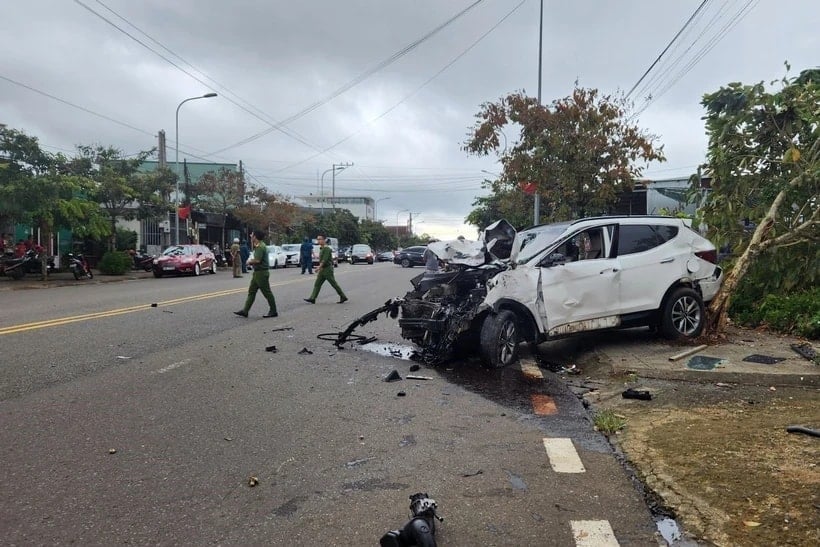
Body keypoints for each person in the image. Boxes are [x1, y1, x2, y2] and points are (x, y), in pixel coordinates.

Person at [234, 230, 278, 318]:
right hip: (257, 273)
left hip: (261, 273)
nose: (251, 237)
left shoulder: (260, 247)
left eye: (252, 235)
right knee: (252, 291)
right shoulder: (259, 245)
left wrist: (249, 262)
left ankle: (273, 311)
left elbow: (257, 260)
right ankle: (245, 310)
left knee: (267, 292)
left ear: (255, 237)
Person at [304, 234, 347, 304]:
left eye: (320, 239)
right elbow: (321, 258)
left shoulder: (327, 248)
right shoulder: (322, 248)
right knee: (317, 284)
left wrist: (319, 267)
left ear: (324, 240)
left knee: (333, 283)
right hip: (323, 269)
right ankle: (312, 298)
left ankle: (343, 296)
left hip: (327, 269)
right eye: (318, 239)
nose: (318, 241)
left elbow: (324, 260)